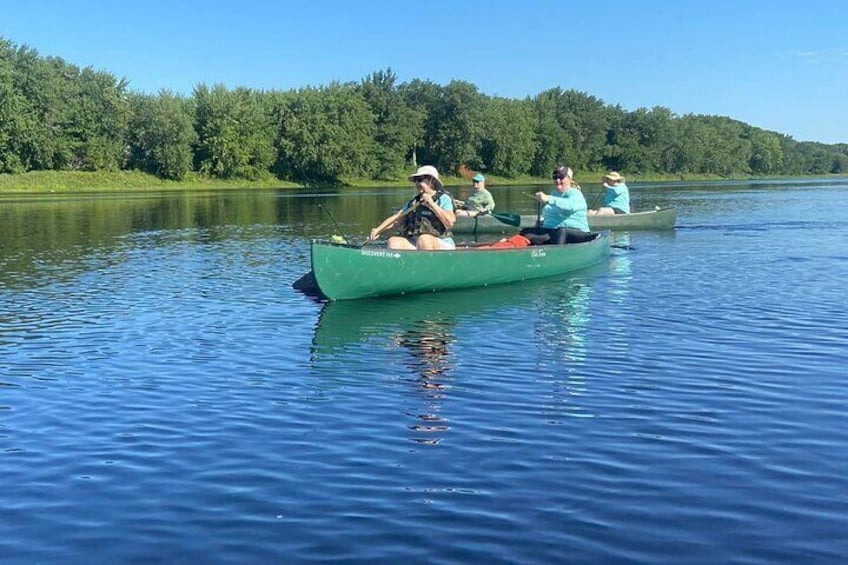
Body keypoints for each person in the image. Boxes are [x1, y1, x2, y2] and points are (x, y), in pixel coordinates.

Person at [369, 165, 457, 250]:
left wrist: (432, 204)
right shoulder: (414, 202)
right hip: (417, 242)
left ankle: (430, 264)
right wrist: (378, 230)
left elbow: (450, 222)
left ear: (432, 180)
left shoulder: (444, 199)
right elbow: (396, 220)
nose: (417, 183)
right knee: (393, 242)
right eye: (416, 180)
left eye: (420, 179)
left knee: (424, 239)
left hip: (441, 241)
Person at [519, 166, 594, 244]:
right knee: (526, 231)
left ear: (569, 179)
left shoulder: (575, 193)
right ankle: (512, 247)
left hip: (578, 233)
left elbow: (569, 206)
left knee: (561, 231)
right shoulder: (554, 194)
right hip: (553, 232)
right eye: (555, 177)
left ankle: (556, 254)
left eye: (561, 177)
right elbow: (550, 214)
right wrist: (542, 222)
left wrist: (548, 199)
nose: (558, 180)